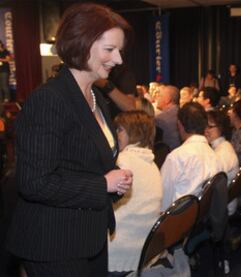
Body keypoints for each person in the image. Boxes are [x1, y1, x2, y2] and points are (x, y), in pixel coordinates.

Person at [6, 3, 133, 276]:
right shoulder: (49, 100)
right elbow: (34, 182)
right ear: (81, 44)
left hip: (89, 236)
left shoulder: (97, 98)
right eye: (110, 50)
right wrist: (103, 184)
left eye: (119, 51)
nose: (118, 60)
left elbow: (85, 163)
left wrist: (113, 180)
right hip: (53, 243)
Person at [109, 111, 162, 275]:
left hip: (120, 251)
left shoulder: (124, 160)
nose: (116, 134)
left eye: (120, 130)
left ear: (133, 132)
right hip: (145, 246)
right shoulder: (152, 163)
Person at [160, 102, 219, 210]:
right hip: (199, 218)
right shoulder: (213, 154)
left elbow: (163, 200)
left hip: (176, 220)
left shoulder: (176, 157)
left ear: (180, 125)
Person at [205, 110, 239, 215]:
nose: (206, 130)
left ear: (221, 128)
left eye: (210, 127)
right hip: (224, 201)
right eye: (205, 126)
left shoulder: (223, 152)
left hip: (223, 208)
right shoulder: (223, 145)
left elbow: (210, 184)